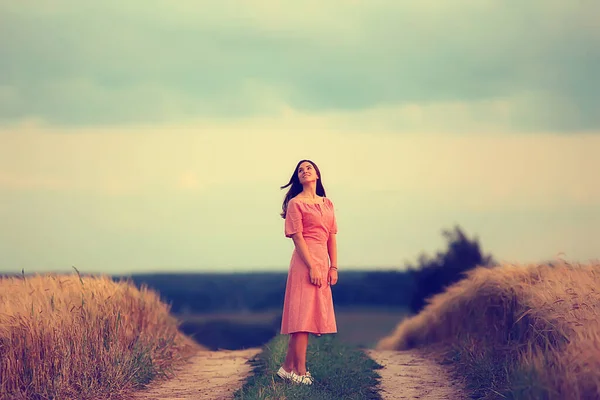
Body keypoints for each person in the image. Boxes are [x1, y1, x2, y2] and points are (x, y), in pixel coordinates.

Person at [276, 159, 339, 385]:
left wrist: (333, 266)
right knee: (302, 318)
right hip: (305, 261)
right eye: (300, 170)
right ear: (298, 177)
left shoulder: (328, 203)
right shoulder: (296, 203)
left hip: (323, 260)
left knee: (310, 315)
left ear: (317, 174)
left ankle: (286, 368)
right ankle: (300, 373)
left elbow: (331, 235)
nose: (304, 171)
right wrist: (312, 265)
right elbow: (297, 237)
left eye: (308, 168)